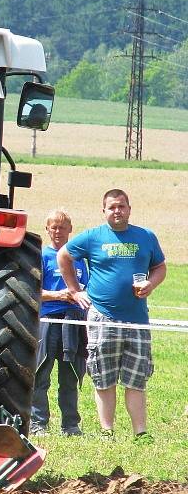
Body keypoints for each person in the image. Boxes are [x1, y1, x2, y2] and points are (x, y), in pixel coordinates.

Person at [57, 189, 166, 443]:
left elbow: (159, 267)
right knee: (104, 377)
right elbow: (64, 256)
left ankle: (141, 433)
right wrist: (74, 290)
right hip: (102, 317)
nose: (117, 211)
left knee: (136, 378)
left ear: (129, 208)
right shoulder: (93, 237)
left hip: (138, 319)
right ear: (103, 211)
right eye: (112, 207)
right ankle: (107, 431)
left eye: (121, 206)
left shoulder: (146, 236)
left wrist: (151, 284)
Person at [30, 209, 88, 437]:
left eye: (62, 227)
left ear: (70, 230)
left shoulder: (79, 259)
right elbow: (31, 291)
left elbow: (88, 288)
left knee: (70, 376)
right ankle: (38, 424)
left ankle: (71, 425)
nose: (57, 232)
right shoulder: (41, 256)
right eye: (53, 227)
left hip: (74, 320)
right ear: (47, 229)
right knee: (41, 374)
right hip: (48, 319)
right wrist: (58, 296)